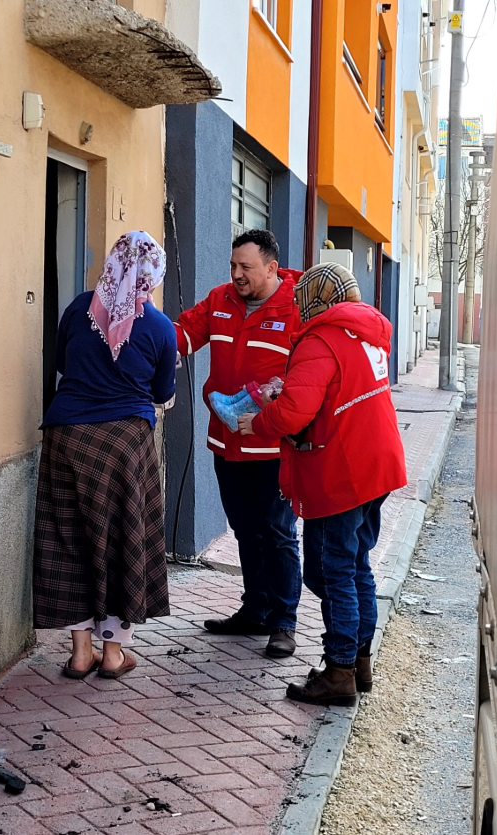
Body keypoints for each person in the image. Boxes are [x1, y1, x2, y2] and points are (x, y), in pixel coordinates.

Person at [238, 262, 407, 703]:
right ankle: (360, 661)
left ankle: (339, 671)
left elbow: (295, 413)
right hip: (377, 466)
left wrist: (257, 421)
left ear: (317, 299)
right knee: (355, 566)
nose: (295, 307)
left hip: (343, 473)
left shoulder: (320, 339)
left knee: (332, 573)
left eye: (300, 300)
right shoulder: (365, 333)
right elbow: (334, 395)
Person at [34, 231, 177, 680]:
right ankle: (113, 653)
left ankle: (80, 654)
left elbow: (61, 364)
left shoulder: (79, 308)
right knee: (123, 539)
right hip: (123, 444)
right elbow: (162, 392)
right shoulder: (159, 327)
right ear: (153, 273)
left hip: (66, 436)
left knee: (67, 539)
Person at [174, 229, 303, 658]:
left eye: (246, 267)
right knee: (246, 530)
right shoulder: (220, 300)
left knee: (279, 533)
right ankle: (255, 611)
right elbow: (183, 335)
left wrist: (282, 389)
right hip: (227, 444)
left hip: (272, 447)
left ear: (271, 268)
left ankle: (284, 622)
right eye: (233, 266)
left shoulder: (296, 308)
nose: (237, 275)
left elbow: (312, 371)